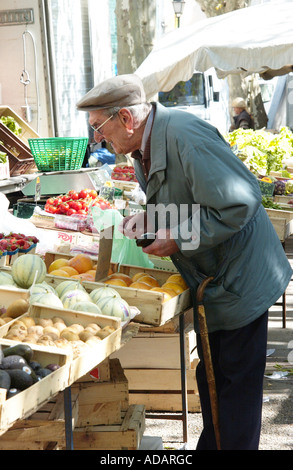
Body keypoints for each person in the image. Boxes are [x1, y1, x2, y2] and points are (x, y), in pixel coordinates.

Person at [76, 74, 292, 450]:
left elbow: (239, 203)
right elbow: (191, 199)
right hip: (215, 280)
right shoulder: (144, 144)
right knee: (214, 385)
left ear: (125, 118)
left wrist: (175, 236)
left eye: (98, 127)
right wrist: (153, 219)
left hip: (241, 280)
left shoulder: (185, 136)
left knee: (234, 398)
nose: (96, 138)